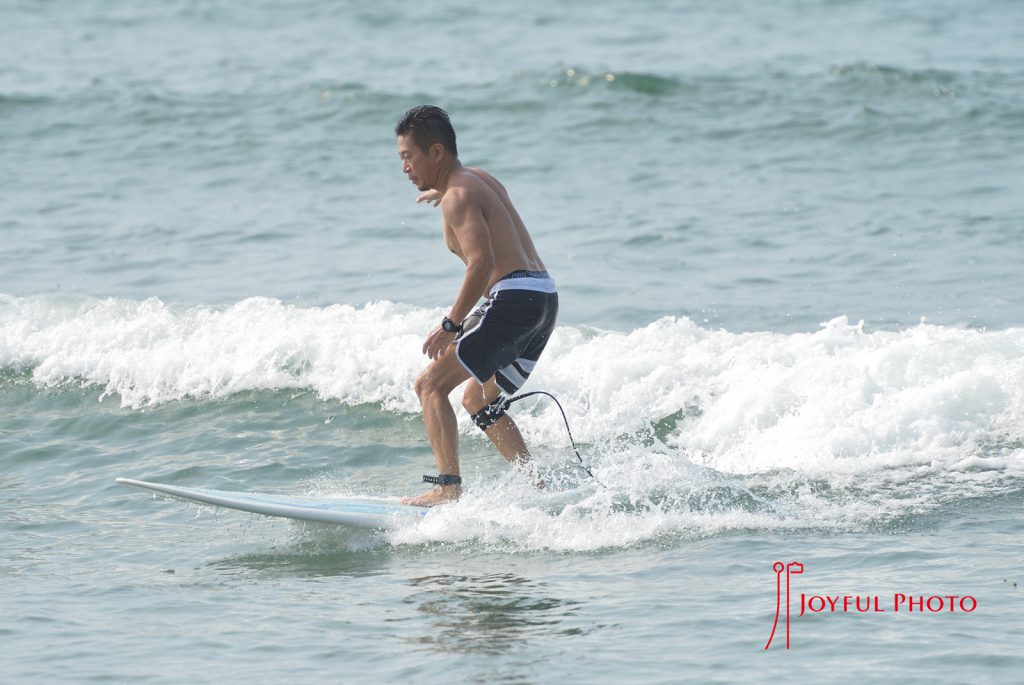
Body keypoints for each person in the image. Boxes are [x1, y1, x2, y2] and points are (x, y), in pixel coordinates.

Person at [395, 105, 558, 507]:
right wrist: (443, 190)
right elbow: (479, 205)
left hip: (513, 300)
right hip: (543, 298)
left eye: (408, 157)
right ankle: (537, 489)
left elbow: (482, 261)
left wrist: (451, 324)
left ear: (435, 152)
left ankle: (448, 488)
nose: (404, 168)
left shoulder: (459, 197)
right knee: (477, 400)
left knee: (429, 385)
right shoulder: (477, 180)